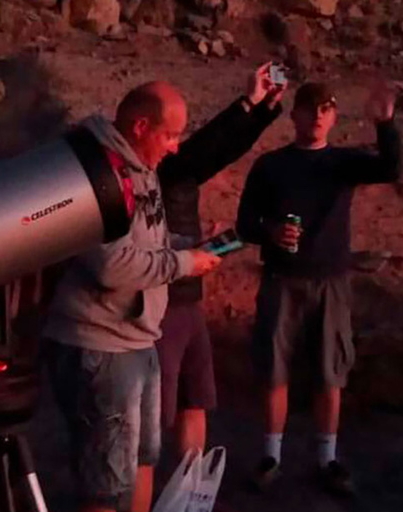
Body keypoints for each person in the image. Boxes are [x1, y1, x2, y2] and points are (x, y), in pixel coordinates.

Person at [43, 81, 221, 512]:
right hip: (99, 346)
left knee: (142, 463)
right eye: (170, 135)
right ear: (141, 126)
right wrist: (183, 265)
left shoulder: (140, 167)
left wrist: (191, 246)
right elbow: (111, 265)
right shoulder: (93, 173)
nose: (176, 148)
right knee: (106, 486)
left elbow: (147, 240)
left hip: (137, 341)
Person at [236, 80, 402, 495]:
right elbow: (244, 224)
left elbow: (392, 168)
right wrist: (270, 230)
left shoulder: (344, 162)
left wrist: (385, 124)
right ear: (295, 115)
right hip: (281, 278)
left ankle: (327, 458)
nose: (317, 117)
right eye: (309, 109)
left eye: (325, 109)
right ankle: (271, 452)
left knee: (331, 370)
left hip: (331, 280)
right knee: (274, 368)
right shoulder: (271, 166)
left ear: (334, 116)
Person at [156, 63, 285, 458]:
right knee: (158, 413)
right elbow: (206, 150)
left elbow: (216, 152)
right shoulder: (157, 172)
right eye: (171, 136)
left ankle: (188, 488)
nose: (177, 144)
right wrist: (249, 105)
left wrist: (261, 111)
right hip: (158, 308)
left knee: (195, 400)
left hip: (189, 302)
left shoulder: (177, 173)